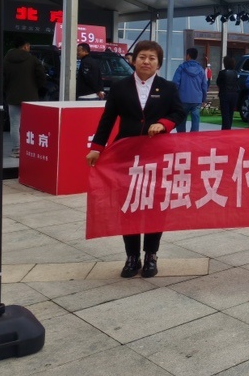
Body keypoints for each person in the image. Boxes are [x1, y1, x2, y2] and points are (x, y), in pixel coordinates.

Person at [86, 40, 184, 279]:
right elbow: (107, 119)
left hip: (157, 156)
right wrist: (97, 147)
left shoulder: (168, 87)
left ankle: (151, 255)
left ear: (159, 63)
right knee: (128, 204)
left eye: (152, 58)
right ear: (133, 60)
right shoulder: (120, 87)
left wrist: (164, 124)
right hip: (126, 156)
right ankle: (132, 256)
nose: (146, 61)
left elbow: (179, 112)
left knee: (154, 205)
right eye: (142, 57)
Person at [3, 36, 46, 159]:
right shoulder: (33, 60)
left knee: (15, 124)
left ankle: (17, 150)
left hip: (13, 97)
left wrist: (7, 91)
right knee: (30, 124)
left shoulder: (7, 59)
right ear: (25, 46)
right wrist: (37, 89)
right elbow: (41, 77)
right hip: (31, 97)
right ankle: (30, 148)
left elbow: (3, 79)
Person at [173, 47, 209, 133]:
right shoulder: (201, 69)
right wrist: (203, 99)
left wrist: (174, 97)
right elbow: (204, 86)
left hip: (183, 99)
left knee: (181, 119)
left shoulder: (181, 68)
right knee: (195, 119)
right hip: (197, 99)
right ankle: (194, 136)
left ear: (188, 56)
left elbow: (175, 83)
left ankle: (181, 136)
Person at [215, 55, 239, 131]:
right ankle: (229, 128)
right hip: (234, 94)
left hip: (224, 94)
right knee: (230, 114)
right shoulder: (235, 73)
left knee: (225, 114)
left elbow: (218, 82)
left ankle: (225, 129)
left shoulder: (222, 73)